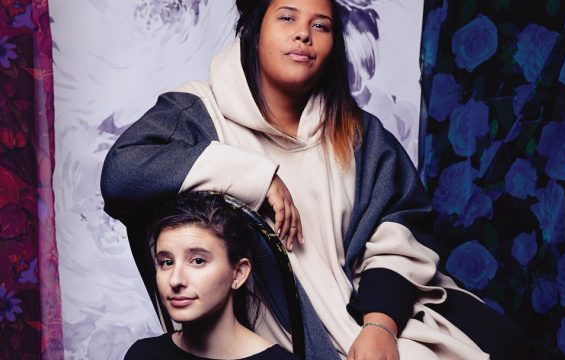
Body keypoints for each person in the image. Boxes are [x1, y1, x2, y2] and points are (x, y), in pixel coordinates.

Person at [102, 0, 533, 359]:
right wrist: (254, 177)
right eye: (287, 17)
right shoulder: (199, 113)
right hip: (275, 336)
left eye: (320, 25)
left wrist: (379, 325)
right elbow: (123, 172)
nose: (303, 34)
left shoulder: (360, 134)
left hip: (374, 314)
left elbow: (400, 228)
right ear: (254, 29)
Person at [124, 191, 298, 359]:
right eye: (166, 262)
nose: (175, 280)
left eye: (198, 261)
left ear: (238, 273)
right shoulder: (142, 354)